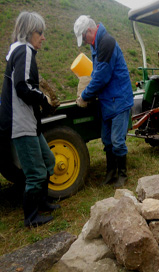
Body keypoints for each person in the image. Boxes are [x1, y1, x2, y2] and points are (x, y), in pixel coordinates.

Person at [0, 11, 60, 227]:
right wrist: (43, 98)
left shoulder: (22, 52)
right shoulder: (24, 50)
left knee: (48, 161)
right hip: (21, 124)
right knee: (35, 173)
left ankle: (43, 202)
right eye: (40, 33)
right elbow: (22, 86)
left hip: (29, 123)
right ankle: (31, 217)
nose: (43, 37)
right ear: (29, 32)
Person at [74, 15, 134, 188]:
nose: (85, 42)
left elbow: (102, 76)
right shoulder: (96, 43)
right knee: (107, 140)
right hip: (108, 100)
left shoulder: (106, 42)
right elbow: (98, 73)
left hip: (119, 98)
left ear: (91, 31)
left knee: (117, 141)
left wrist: (85, 95)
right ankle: (111, 172)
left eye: (84, 38)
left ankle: (122, 174)